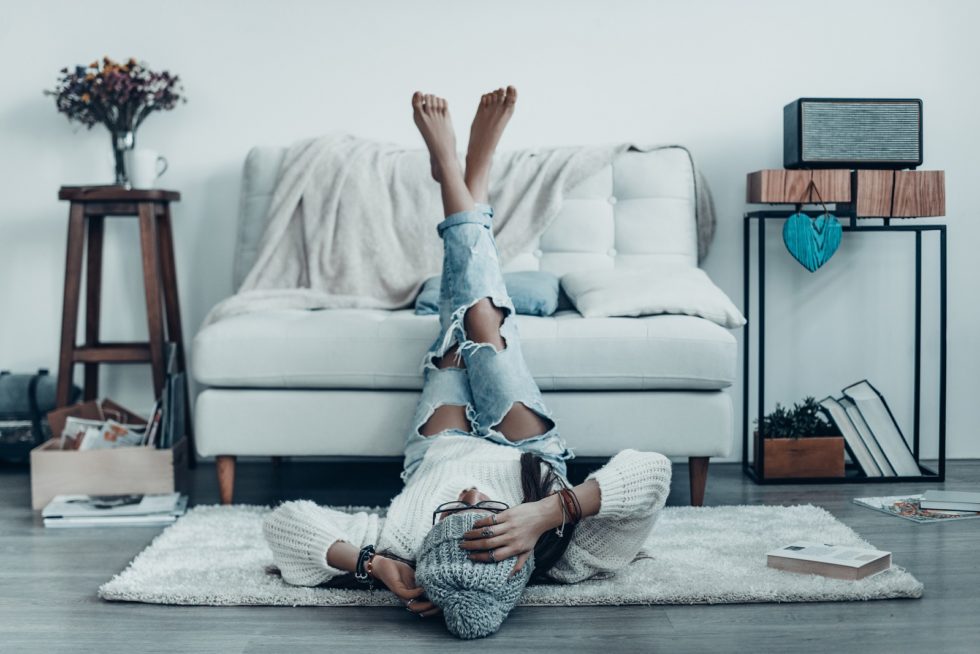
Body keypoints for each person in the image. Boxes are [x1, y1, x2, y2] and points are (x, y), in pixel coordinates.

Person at [262, 86, 673, 640]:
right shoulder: (570, 558)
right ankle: (461, 177)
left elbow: (283, 523)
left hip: (441, 444)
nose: (472, 496)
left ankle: (462, 179)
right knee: (482, 319)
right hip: (526, 446)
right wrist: (548, 512)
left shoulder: (402, 546)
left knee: (456, 324)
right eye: (492, 517)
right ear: (520, 557)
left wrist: (374, 565)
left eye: (451, 516)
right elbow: (652, 472)